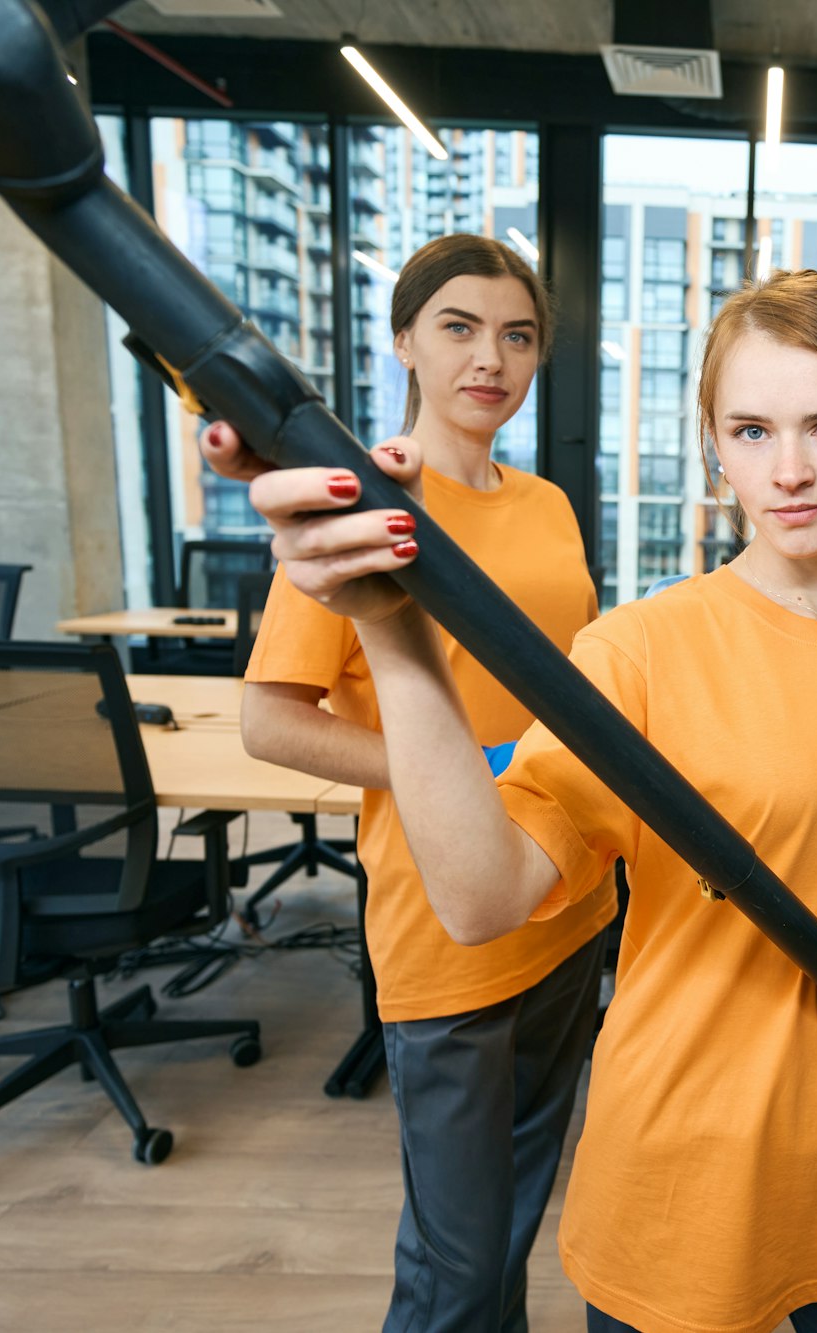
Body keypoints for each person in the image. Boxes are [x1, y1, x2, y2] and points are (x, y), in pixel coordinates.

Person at [202, 269, 817, 1333]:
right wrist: (393, 633)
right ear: (711, 444)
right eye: (750, 432)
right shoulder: (639, 652)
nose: (788, 470)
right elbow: (481, 898)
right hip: (680, 1190)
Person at [223, 233, 614, 1333]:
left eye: (516, 334)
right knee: (454, 1258)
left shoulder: (546, 506)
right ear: (404, 339)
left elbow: (571, 693)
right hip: (445, 920)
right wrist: (463, 767)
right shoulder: (358, 505)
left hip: (568, 897)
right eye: (458, 327)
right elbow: (269, 722)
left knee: (515, 1220)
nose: (489, 356)